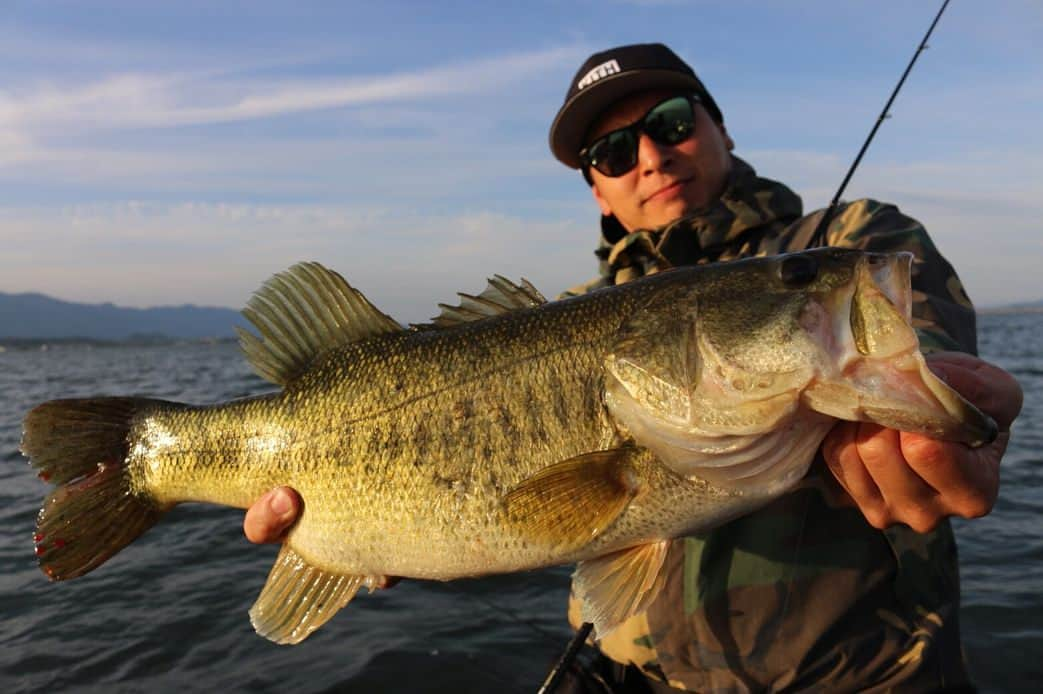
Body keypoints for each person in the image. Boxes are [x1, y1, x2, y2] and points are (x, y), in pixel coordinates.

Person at [244, 44, 1022, 692]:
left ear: (719, 128)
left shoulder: (849, 241)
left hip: (859, 675)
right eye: (612, 152)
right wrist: (393, 536)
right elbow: (518, 515)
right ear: (598, 193)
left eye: (671, 124)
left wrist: (940, 418)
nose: (649, 156)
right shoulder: (573, 313)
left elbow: (920, 347)